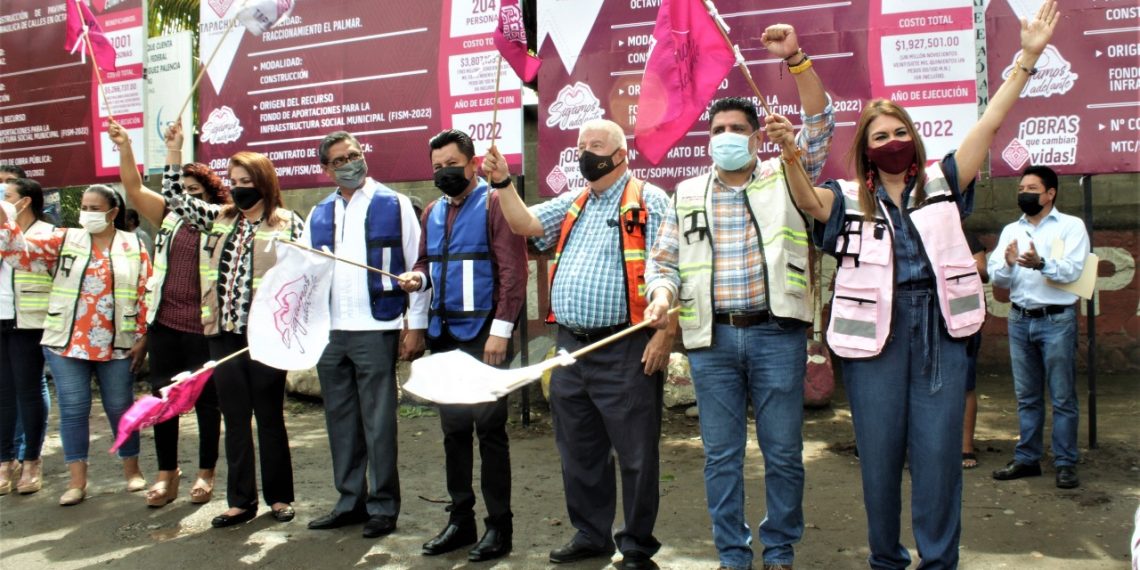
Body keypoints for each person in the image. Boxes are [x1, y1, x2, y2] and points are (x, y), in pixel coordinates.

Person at [780, 2, 1059, 567]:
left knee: (938, 458)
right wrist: (789, 156)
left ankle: (938, 561)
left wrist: (1026, 59)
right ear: (864, 147)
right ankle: (886, 558)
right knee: (880, 459)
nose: (891, 140)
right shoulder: (844, 195)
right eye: (878, 135)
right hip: (873, 346)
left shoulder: (944, 180)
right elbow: (807, 200)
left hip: (940, 333)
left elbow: (989, 124)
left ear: (913, 136)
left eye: (898, 130)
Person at [643, 23, 833, 570]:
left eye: (737, 128)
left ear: (755, 136)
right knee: (721, 458)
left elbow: (820, 124)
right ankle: (732, 555)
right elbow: (665, 262)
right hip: (712, 341)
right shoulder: (687, 192)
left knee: (783, 456)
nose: (726, 135)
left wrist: (795, 59)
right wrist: (661, 295)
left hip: (778, 335)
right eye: (718, 128)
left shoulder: (786, 173)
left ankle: (779, 551)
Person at [490, 119, 671, 570]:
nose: (585, 153)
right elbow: (526, 223)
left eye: (595, 145)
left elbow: (669, 265)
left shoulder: (650, 199)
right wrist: (501, 184)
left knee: (636, 454)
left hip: (625, 345)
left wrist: (665, 322)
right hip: (571, 348)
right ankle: (591, 534)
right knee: (579, 450)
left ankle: (636, 546)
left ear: (620, 154)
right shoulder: (575, 200)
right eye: (580, 146)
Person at [161, 120, 304, 527]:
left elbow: (303, 276)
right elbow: (175, 198)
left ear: (263, 183)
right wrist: (173, 151)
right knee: (235, 417)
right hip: (223, 335)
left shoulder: (286, 223)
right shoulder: (219, 218)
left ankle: (280, 498)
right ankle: (241, 501)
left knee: (270, 415)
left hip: (264, 338)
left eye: (246, 180)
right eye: (234, 180)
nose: (239, 187)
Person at [398, 130, 528, 562]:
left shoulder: (493, 203)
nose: (444, 172)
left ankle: (499, 527)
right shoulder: (432, 210)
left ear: (473, 164)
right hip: (445, 336)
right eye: (437, 166)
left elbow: (513, 271)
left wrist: (501, 330)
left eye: (452, 164)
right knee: (454, 433)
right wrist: (418, 282)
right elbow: (423, 262)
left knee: (490, 433)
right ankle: (460, 521)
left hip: (484, 336)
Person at [301, 131, 427, 539]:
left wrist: (414, 325)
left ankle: (383, 507)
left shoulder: (394, 204)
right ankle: (349, 501)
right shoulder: (318, 213)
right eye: (339, 160)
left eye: (354, 154)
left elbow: (416, 264)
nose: (350, 163)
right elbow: (306, 274)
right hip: (330, 332)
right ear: (326, 169)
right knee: (340, 420)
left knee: (378, 422)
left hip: (377, 326)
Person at [0, 184, 150, 506]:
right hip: (67, 342)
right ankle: (77, 483)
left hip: (118, 344)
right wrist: (4, 215)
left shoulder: (133, 244)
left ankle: (132, 471)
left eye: (95, 208)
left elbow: (145, 292)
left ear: (113, 212)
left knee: (120, 407)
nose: (87, 213)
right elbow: (19, 253)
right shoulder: (64, 238)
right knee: (73, 410)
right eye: (84, 206)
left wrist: (143, 337)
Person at [109, 121, 228, 508]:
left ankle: (206, 473)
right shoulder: (168, 217)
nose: (184, 198)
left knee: (208, 403)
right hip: (165, 324)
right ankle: (167, 474)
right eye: (182, 191)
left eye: (194, 192)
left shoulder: (222, 220)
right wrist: (127, 147)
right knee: (163, 400)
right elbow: (132, 188)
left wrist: (175, 155)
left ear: (209, 195)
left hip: (205, 327)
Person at [988, 165, 1088, 489]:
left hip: (1057, 320)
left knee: (1062, 397)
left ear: (1050, 193)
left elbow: (1073, 271)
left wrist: (1041, 263)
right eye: (1021, 189)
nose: (1025, 193)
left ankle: (1065, 462)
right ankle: (1028, 458)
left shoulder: (1071, 227)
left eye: (1032, 188)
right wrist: (1007, 262)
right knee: (1027, 396)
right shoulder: (1010, 231)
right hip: (1019, 319)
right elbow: (997, 279)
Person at [0, 178, 55, 496]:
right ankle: (5, 460)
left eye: (6, 196)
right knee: (4, 394)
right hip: (2, 318)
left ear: (25, 202)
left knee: (29, 390)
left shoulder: (46, 234)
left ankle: (31, 459)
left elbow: (23, 257)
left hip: (30, 322)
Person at [962, 230, 989, 470]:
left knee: (965, 383)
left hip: (964, 317)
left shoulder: (967, 237)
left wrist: (959, 264)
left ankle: (965, 447)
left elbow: (983, 272)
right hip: (926, 316)